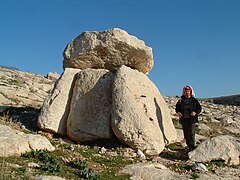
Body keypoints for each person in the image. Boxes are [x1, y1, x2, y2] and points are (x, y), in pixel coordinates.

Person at [175, 85, 202, 151]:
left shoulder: (194, 100)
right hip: (184, 119)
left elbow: (199, 108)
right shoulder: (181, 100)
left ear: (190, 92)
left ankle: (192, 147)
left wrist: (195, 112)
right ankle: (189, 146)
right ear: (183, 92)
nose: (187, 92)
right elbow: (177, 108)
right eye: (185, 91)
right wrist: (178, 112)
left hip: (191, 119)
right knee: (186, 133)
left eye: (188, 91)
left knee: (191, 133)